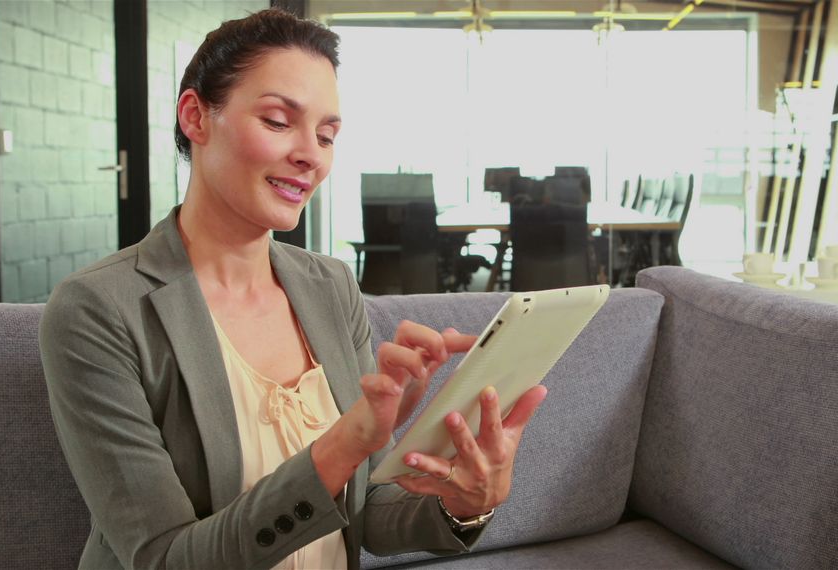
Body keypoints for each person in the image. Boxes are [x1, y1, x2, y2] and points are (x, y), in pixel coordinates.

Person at [39, 8, 547, 570]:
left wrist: (465, 504)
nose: (312, 155)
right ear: (195, 116)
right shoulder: (98, 310)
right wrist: (347, 442)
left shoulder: (328, 285)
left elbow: (364, 511)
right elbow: (164, 559)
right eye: (279, 121)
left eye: (327, 135)